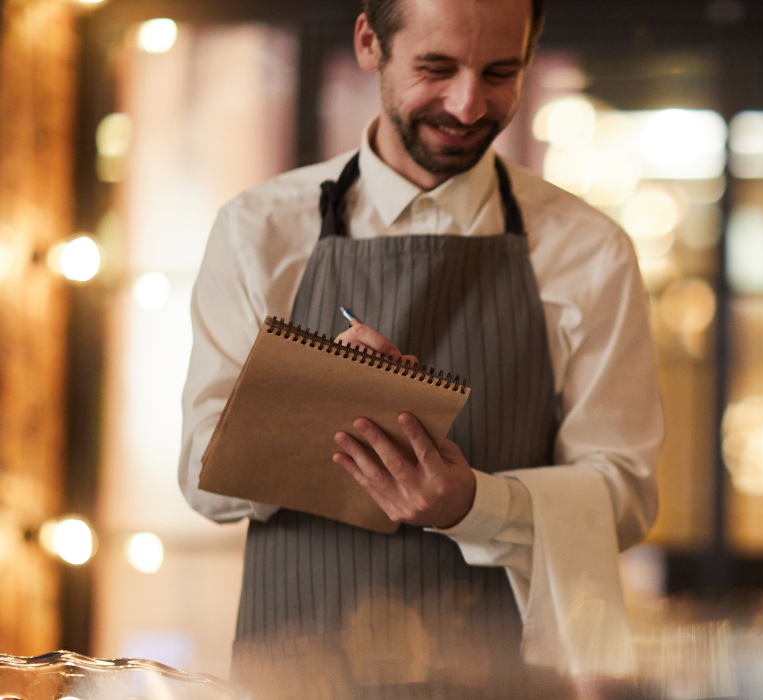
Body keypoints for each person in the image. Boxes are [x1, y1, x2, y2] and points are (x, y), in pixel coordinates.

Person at [176, 0, 661, 695]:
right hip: (302, 676)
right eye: (436, 68)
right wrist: (316, 399)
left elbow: (625, 494)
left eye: (500, 73)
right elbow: (201, 479)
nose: (468, 105)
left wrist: (474, 504)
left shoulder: (588, 249)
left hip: (508, 676)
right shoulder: (259, 231)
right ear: (370, 42)